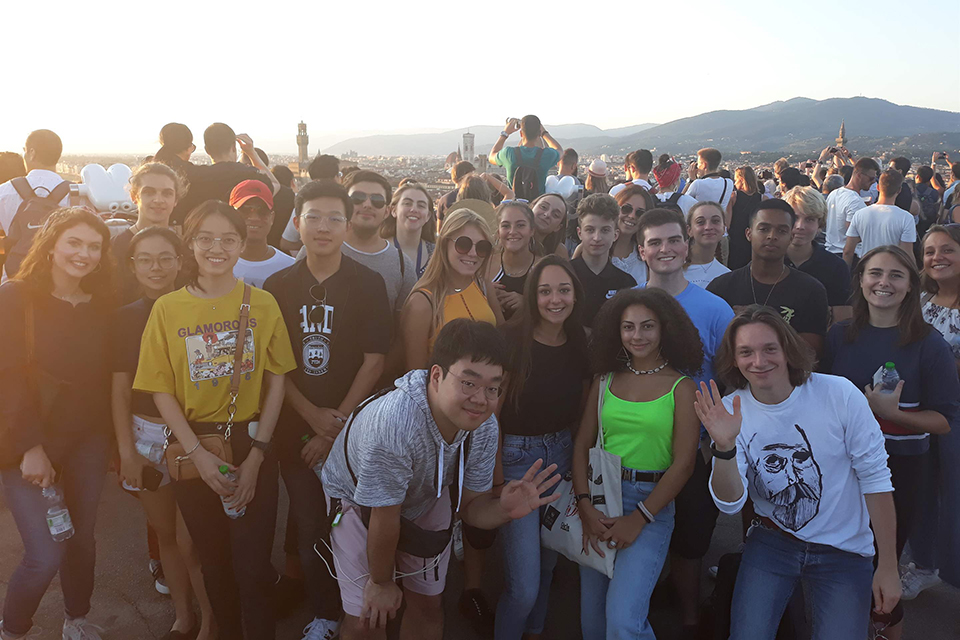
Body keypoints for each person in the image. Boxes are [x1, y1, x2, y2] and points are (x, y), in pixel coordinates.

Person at [321, 319, 561, 640]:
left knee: (429, 605)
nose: (481, 399)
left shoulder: (485, 427)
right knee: (368, 619)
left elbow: (472, 508)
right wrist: (380, 583)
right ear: (436, 376)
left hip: (426, 492)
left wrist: (503, 508)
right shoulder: (395, 424)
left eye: (493, 387)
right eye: (469, 382)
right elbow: (384, 515)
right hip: (357, 497)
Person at [134, 200, 296, 640]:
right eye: (205, 238)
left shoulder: (261, 304)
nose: (216, 248)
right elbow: (159, 388)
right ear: (190, 244)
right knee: (214, 563)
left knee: (253, 567)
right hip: (193, 448)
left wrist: (259, 456)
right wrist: (197, 456)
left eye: (228, 239)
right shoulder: (168, 309)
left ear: (242, 244)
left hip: (250, 442)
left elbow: (277, 379)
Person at [697, 305, 900, 639]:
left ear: (788, 350)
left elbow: (876, 480)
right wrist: (724, 447)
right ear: (734, 360)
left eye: (769, 349)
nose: (759, 362)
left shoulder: (840, 394)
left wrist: (889, 567)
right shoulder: (734, 410)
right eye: (746, 352)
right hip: (773, 543)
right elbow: (730, 504)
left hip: (845, 550)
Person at [264, 179, 393, 640]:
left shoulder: (368, 283)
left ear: (347, 223)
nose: (323, 227)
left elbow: (374, 360)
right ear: (297, 223)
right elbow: (274, 366)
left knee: (358, 522)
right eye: (313, 217)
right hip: (295, 429)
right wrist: (310, 417)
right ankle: (324, 613)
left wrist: (333, 423)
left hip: (353, 431)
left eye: (334, 218)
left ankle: (360, 608)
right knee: (310, 521)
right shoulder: (277, 286)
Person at [822, 245, 959, 640]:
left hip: (901, 469)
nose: (884, 282)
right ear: (861, 281)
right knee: (841, 557)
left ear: (911, 287)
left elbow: (944, 422)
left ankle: (883, 630)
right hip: (841, 466)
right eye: (875, 273)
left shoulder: (930, 345)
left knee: (883, 561)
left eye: (896, 275)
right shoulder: (838, 336)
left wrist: (892, 413)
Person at [0, 208, 115, 640]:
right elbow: (6, 380)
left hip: (88, 439)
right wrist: (31, 447)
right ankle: (12, 629)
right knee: (46, 552)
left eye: (93, 247)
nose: (83, 254)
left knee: (81, 540)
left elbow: (107, 380)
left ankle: (76, 620)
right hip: (26, 441)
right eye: (74, 243)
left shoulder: (103, 305)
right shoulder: (14, 298)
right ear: (50, 245)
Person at [572, 288, 701, 640]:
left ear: (665, 329)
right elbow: (583, 443)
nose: (637, 335)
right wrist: (584, 506)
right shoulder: (605, 379)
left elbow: (684, 464)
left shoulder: (683, 388)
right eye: (628, 327)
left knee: (624, 622)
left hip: (651, 506)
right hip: (599, 498)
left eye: (648, 326)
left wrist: (640, 517)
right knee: (593, 624)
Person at [111, 227, 215, 640]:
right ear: (132, 265)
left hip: (194, 436)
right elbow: (119, 390)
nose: (155, 267)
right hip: (146, 435)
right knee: (166, 536)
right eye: (145, 259)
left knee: (193, 542)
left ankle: (210, 619)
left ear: (179, 261)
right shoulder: (122, 319)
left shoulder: (201, 308)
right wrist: (126, 453)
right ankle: (183, 615)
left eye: (165, 258)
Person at [635, 208, 734, 635]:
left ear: (687, 246)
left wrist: (718, 442)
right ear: (642, 251)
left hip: (695, 450)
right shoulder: (627, 305)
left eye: (673, 240)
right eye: (654, 242)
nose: (665, 249)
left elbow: (730, 378)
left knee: (690, 544)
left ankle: (690, 620)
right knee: (638, 535)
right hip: (637, 446)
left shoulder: (714, 308)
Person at [494, 255, 590, 640]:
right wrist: (498, 481)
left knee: (550, 563)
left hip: (562, 456)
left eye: (563, 290)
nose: (555, 299)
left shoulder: (580, 340)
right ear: (532, 295)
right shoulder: (511, 340)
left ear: (575, 295)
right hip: (516, 460)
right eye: (545, 291)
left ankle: (534, 630)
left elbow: (583, 410)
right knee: (523, 587)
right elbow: (491, 416)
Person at [707, 199, 829, 356]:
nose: (772, 236)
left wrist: (760, 318)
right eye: (764, 229)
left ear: (791, 237)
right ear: (749, 234)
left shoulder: (811, 290)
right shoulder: (721, 287)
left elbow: (810, 353)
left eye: (782, 231)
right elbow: (711, 346)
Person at [910, 224, 960, 597]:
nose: (936, 258)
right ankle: (925, 563)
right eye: (929, 251)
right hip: (920, 410)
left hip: (953, 415)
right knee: (922, 490)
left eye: (947, 250)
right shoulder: (922, 301)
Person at [334, 170, 416, 313]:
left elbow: (404, 325)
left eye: (377, 200)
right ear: (345, 205)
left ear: (387, 211)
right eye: (357, 198)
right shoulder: (317, 251)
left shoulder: (402, 265)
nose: (367, 204)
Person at [172, 124, 279, 226]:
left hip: (202, 239)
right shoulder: (250, 175)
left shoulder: (194, 176)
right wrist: (251, 152)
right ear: (233, 147)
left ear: (207, 150)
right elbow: (274, 184)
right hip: (238, 238)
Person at [0, 130, 69, 282]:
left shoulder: (4, 191)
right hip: (60, 280)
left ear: (31, 153)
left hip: (14, 277)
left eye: (24, 151)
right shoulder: (78, 193)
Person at [112, 162, 185, 303]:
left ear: (176, 200)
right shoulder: (115, 247)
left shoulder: (184, 249)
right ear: (134, 196)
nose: (158, 200)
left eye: (167, 193)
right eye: (149, 192)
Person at [783, 186, 852, 323]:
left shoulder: (836, 268)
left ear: (820, 224)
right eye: (795, 218)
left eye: (809, 219)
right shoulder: (767, 262)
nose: (800, 226)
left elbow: (842, 318)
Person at [570, 194, 637, 327]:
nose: (597, 237)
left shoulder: (625, 283)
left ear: (615, 235)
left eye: (605, 230)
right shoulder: (565, 275)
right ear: (579, 233)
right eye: (590, 230)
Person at [843, 169, 916, 267]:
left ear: (878, 187)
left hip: (867, 268)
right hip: (892, 269)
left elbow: (848, 251)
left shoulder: (860, 214)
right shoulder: (906, 218)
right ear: (899, 190)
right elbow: (907, 254)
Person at [229, 180, 295, 288]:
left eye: (262, 211)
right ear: (230, 215)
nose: (254, 218)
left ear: (272, 217)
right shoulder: (217, 264)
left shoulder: (290, 268)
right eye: (245, 210)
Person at [487, 200, 540, 321]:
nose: (512, 231)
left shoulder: (543, 268)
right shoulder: (484, 265)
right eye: (506, 226)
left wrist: (528, 304)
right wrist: (485, 294)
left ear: (532, 230)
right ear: (498, 232)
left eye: (520, 225)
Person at [488, 115, 562, 198]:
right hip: (536, 205)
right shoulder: (546, 155)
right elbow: (559, 150)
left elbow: (491, 156)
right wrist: (544, 133)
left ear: (521, 133)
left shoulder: (509, 153)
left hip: (514, 205)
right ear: (539, 133)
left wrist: (505, 133)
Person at [380, 182, 436, 280]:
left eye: (421, 206)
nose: (414, 209)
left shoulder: (437, 254)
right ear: (393, 210)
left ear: (428, 216)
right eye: (407, 203)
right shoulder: (379, 250)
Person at [824, 157, 879, 256]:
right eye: (871, 178)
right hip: (848, 255)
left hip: (830, 251)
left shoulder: (834, 193)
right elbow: (853, 239)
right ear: (859, 176)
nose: (873, 182)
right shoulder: (855, 202)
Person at [610, 184, 654, 285]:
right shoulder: (597, 246)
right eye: (626, 209)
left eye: (640, 213)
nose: (632, 216)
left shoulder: (646, 254)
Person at [684, 201, 730, 288]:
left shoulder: (727, 275)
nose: (708, 227)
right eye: (700, 222)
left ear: (724, 228)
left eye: (715, 221)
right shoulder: (674, 270)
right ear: (689, 230)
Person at [726, 166, 763, 270]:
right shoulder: (762, 198)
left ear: (741, 180)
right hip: (755, 238)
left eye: (736, 180)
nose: (734, 183)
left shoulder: (734, 197)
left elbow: (727, 223)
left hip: (736, 240)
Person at [530, 192, 570, 259]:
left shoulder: (559, 251)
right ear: (532, 207)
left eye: (555, 215)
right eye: (543, 207)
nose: (547, 214)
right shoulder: (513, 237)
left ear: (558, 227)